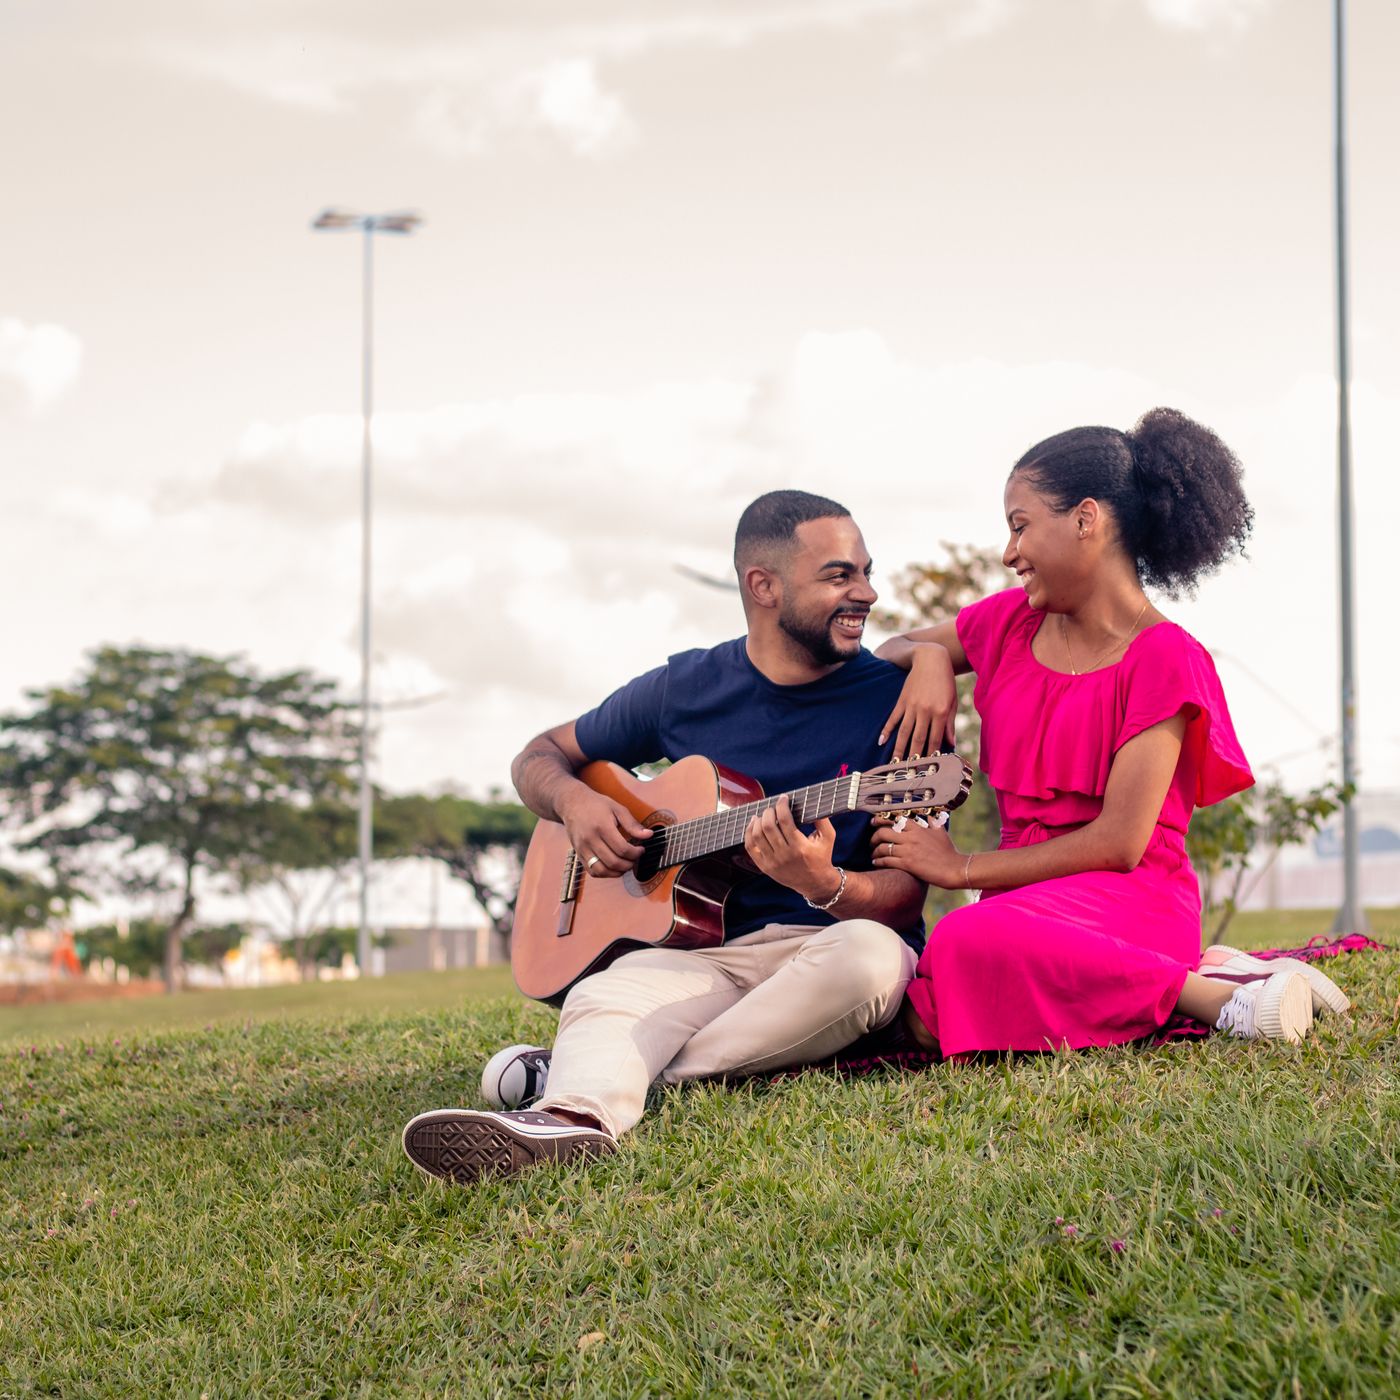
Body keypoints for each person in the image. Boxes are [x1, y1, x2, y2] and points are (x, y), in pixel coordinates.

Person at [403, 489, 929, 1185]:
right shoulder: (685, 687)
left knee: (873, 959)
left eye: (865, 572)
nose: (866, 592)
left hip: (824, 951)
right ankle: (571, 1120)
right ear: (763, 586)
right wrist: (576, 804)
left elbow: (905, 896)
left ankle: (596, 1074)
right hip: (698, 955)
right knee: (608, 994)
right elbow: (539, 756)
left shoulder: (896, 702)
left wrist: (824, 884)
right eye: (840, 575)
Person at [869, 407, 1348, 1057]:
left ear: (1085, 519)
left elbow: (1120, 843)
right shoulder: (1007, 623)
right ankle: (1209, 975)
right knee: (933, 1006)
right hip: (1024, 902)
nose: (1009, 554)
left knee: (958, 943)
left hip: (1129, 897)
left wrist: (961, 868)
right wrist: (930, 659)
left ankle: (1214, 998)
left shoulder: (1166, 657)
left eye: (1020, 526)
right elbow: (891, 647)